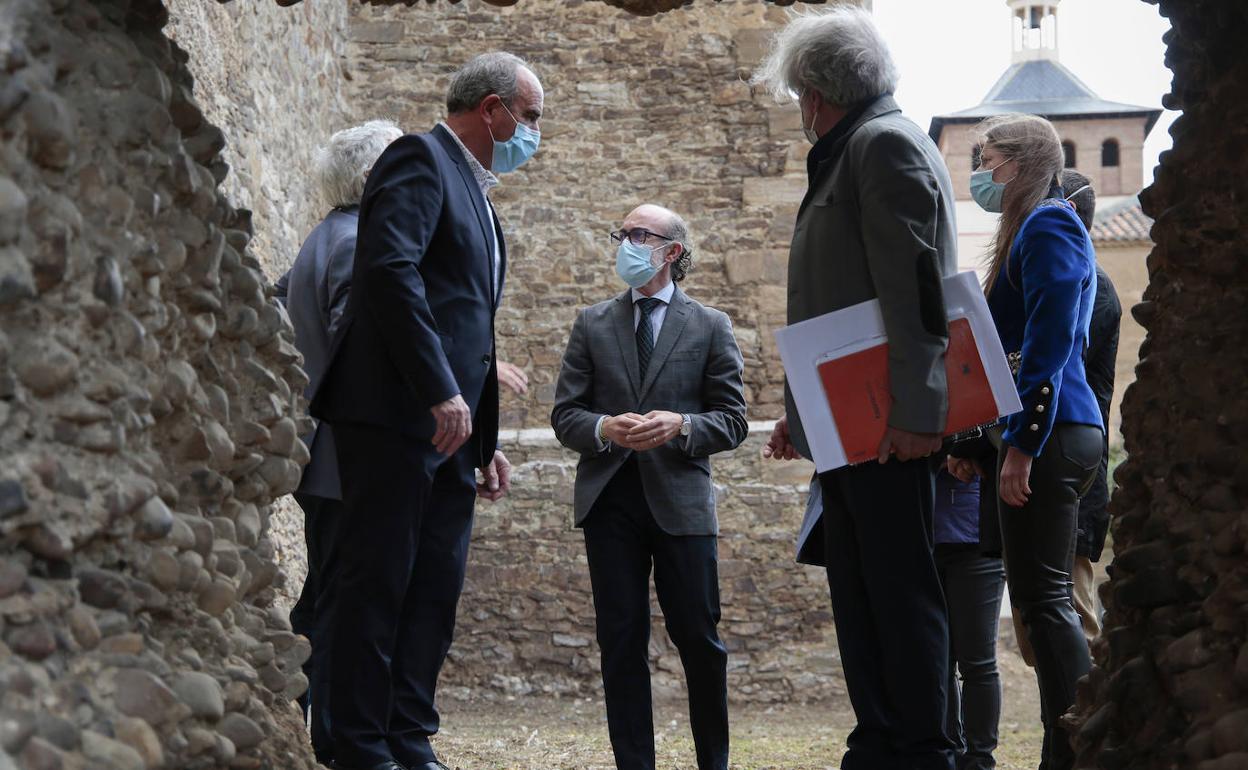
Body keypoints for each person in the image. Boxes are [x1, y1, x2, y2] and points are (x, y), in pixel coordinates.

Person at [309, 52, 544, 770]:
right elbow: (390, 271)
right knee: (376, 581)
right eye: (530, 116)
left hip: (451, 434)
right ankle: (358, 744)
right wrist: (439, 388)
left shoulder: (479, 194)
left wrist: (485, 436)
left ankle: (408, 735)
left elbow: (467, 322)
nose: (536, 132)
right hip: (392, 415)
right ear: (492, 109)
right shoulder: (418, 159)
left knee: (433, 586)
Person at [752, 9, 959, 770]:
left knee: (901, 593)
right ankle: (879, 741)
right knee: (860, 590)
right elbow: (838, 299)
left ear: (814, 91)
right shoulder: (857, 148)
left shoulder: (884, 146)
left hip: (888, 424)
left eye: (798, 94)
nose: (799, 108)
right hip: (850, 422)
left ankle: (923, 749)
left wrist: (917, 412)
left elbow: (915, 296)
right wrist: (800, 414)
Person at [551, 204, 747, 770]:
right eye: (623, 234)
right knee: (620, 642)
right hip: (610, 502)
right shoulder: (592, 322)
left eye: (640, 234)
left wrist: (681, 425)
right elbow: (566, 415)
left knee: (700, 642)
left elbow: (732, 420)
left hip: (681, 505)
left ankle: (715, 760)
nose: (626, 243)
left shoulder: (711, 325)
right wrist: (602, 427)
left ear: (672, 251)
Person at [948, 114, 1104, 770]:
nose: (982, 174)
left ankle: (1089, 742)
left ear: (1021, 161)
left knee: (1044, 604)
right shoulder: (1026, 229)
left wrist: (1023, 444)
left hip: (1056, 431)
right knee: (1039, 608)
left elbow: (1051, 339)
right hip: (1045, 432)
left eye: (989, 160)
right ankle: (1058, 754)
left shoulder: (1049, 222)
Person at [273, 119, 404, 764]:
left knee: (327, 589)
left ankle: (305, 715)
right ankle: (326, 728)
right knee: (340, 601)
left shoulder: (325, 235)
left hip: (327, 458)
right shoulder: (357, 243)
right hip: (348, 460)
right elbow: (360, 354)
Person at [1005, 169, 1122, 667]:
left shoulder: (1087, 285)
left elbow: (1048, 359)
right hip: (1049, 450)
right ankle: (1062, 735)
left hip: (1059, 450)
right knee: (1043, 619)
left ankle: (1080, 733)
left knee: (1066, 612)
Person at [933, 470, 1005, 770]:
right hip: (924, 537)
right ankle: (948, 752)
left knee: (978, 661)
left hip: (977, 537)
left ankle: (979, 759)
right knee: (938, 661)